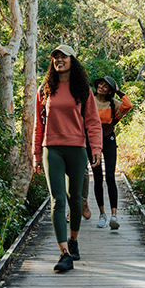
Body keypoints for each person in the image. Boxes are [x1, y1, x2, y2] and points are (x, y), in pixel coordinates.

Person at [34, 44, 102, 272]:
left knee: (75, 200)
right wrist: (36, 154)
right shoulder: (45, 89)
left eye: (63, 56)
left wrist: (96, 148)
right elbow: (38, 125)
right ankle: (64, 253)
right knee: (57, 200)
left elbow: (92, 121)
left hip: (76, 149)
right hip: (52, 150)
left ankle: (73, 240)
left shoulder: (82, 90)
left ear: (72, 59)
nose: (58, 59)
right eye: (55, 57)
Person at [92, 76, 131, 230]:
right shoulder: (90, 100)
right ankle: (102, 214)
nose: (102, 86)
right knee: (97, 177)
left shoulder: (112, 103)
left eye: (106, 86)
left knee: (109, 177)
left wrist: (118, 91)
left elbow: (128, 105)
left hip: (108, 138)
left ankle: (114, 215)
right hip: (92, 140)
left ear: (110, 90)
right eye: (101, 84)